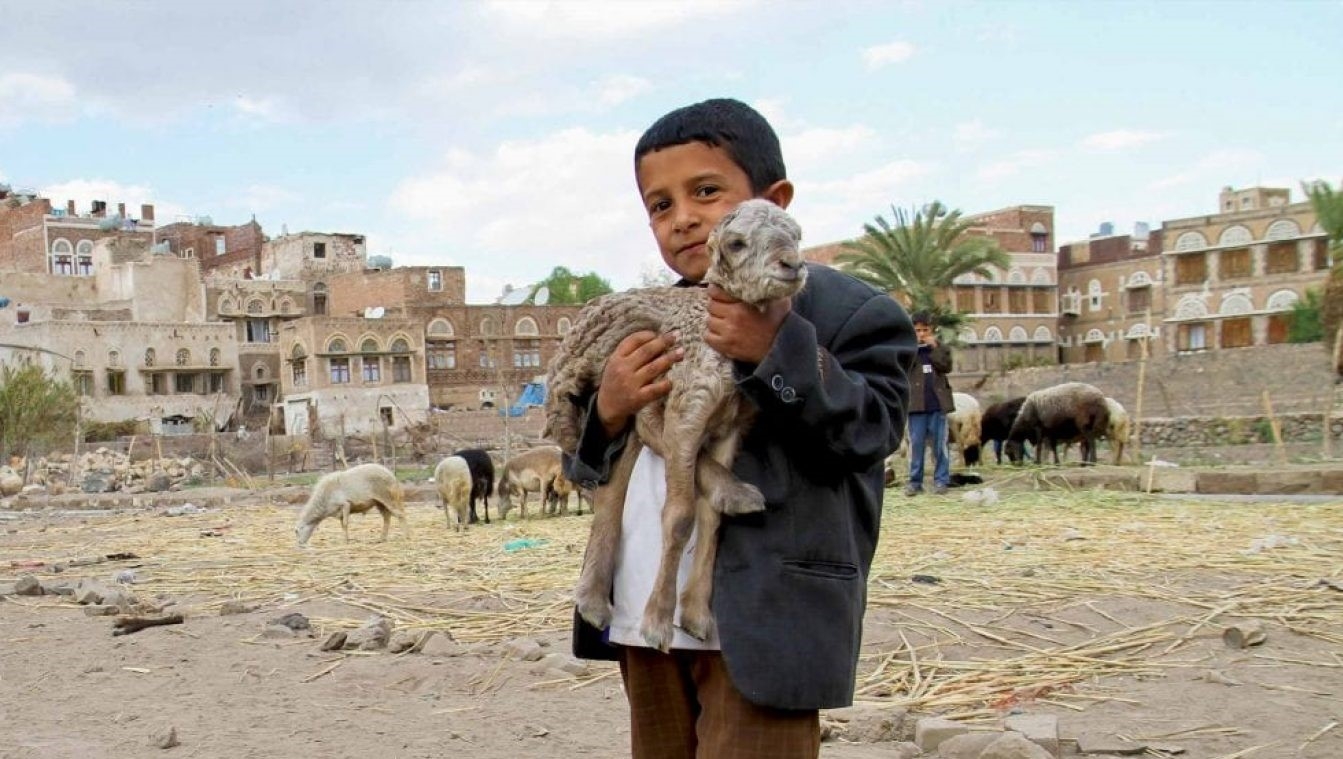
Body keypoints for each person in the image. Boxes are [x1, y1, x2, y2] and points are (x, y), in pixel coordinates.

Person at [563, 97, 916, 759]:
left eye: (705, 191)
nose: (683, 218)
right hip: (648, 615)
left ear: (774, 200)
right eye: (659, 205)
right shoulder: (653, 317)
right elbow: (584, 465)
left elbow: (871, 433)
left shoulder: (848, 313)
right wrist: (606, 411)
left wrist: (776, 348)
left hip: (763, 621)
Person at [903, 312, 954, 496]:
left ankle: (941, 480)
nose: (922, 334)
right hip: (916, 406)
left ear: (932, 330)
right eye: (917, 330)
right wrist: (912, 347)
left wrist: (934, 349)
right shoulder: (907, 350)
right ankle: (914, 482)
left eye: (925, 330)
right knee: (916, 445)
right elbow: (902, 369)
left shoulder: (942, 348)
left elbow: (946, 366)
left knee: (940, 445)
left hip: (938, 405)